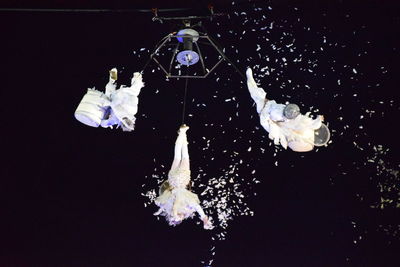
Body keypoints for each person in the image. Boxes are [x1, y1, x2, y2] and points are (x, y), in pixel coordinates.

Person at [246, 67, 329, 152]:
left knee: (256, 94)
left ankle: (250, 79)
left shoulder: (278, 128)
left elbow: (264, 122)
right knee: (258, 95)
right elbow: (311, 124)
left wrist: (266, 110)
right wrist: (318, 120)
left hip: (267, 111)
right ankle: (250, 80)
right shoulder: (299, 123)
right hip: (273, 107)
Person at [154, 125, 213, 230]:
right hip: (172, 179)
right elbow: (197, 208)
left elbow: (196, 207)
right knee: (177, 157)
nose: (181, 218)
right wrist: (204, 219)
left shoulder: (181, 204)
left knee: (185, 157)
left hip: (181, 180)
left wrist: (204, 219)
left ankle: (182, 133)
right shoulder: (169, 204)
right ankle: (183, 134)